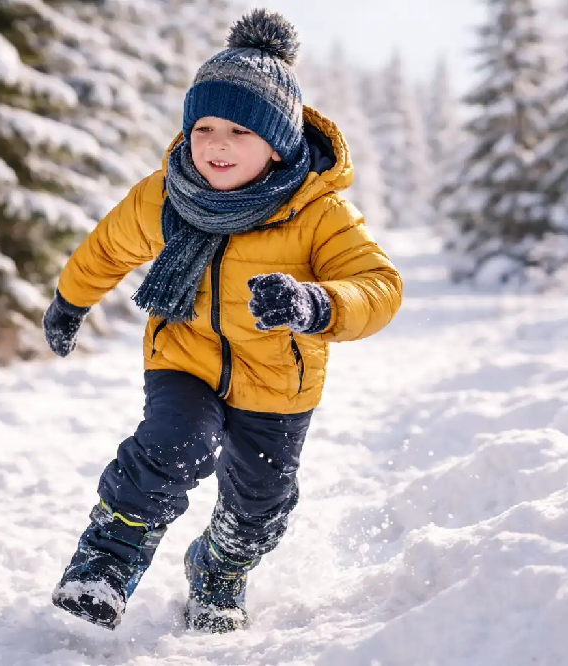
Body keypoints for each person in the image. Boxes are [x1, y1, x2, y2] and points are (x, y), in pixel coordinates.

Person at [41, 8, 402, 633]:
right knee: (172, 446)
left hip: (278, 381)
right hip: (184, 356)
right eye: (203, 126)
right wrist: (70, 301)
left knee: (259, 503)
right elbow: (107, 248)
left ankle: (219, 571)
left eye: (239, 129)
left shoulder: (318, 211)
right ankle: (103, 564)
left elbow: (380, 286)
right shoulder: (166, 193)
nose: (215, 144)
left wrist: (315, 303)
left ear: (279, 142)